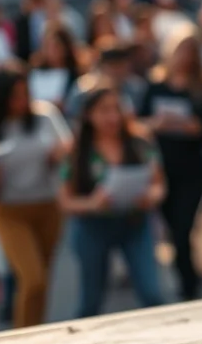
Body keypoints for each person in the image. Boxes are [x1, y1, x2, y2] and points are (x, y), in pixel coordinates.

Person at [58, 85, 166, 317]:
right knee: (90, 301)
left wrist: (150, 196)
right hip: (93, 226)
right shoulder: (76, 151)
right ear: (89, 115)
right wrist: (91, 203)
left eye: (116, 109)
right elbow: (65, 202)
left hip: (134, 222)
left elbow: (159, 184)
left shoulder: (138, 142)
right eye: (104, 110)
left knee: (152, 294)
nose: (112, 117)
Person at [0, 66, 73, 328]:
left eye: (25, 94)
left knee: (42, 281)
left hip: (47, 206)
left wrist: (58, 156)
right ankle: (22, 335)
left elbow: (67, 147)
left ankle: (36, 333)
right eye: (14, 96)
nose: (21, 102)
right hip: (10, 211)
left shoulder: (45, 115)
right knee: (32, 278)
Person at [139, 29, 202, 300]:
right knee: (172, 230)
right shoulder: (155, 86)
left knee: (184, 228)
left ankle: (189, 285)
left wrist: (192, 126)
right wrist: (157, 124)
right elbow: (139, 123)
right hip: (162, 168)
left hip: (192, 170)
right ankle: (186, 274)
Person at [64, 40, 147, 119]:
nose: (117, 71)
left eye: (121, 65)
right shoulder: (83, 88)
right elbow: (72, 117)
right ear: (101, 66)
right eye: (112, 65)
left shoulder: (137, 87)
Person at [29, 22, 82, 109]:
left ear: (65, 48)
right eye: (47, 46)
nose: (51, 51)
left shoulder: (74, 76)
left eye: (55, 46)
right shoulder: (34, 72)